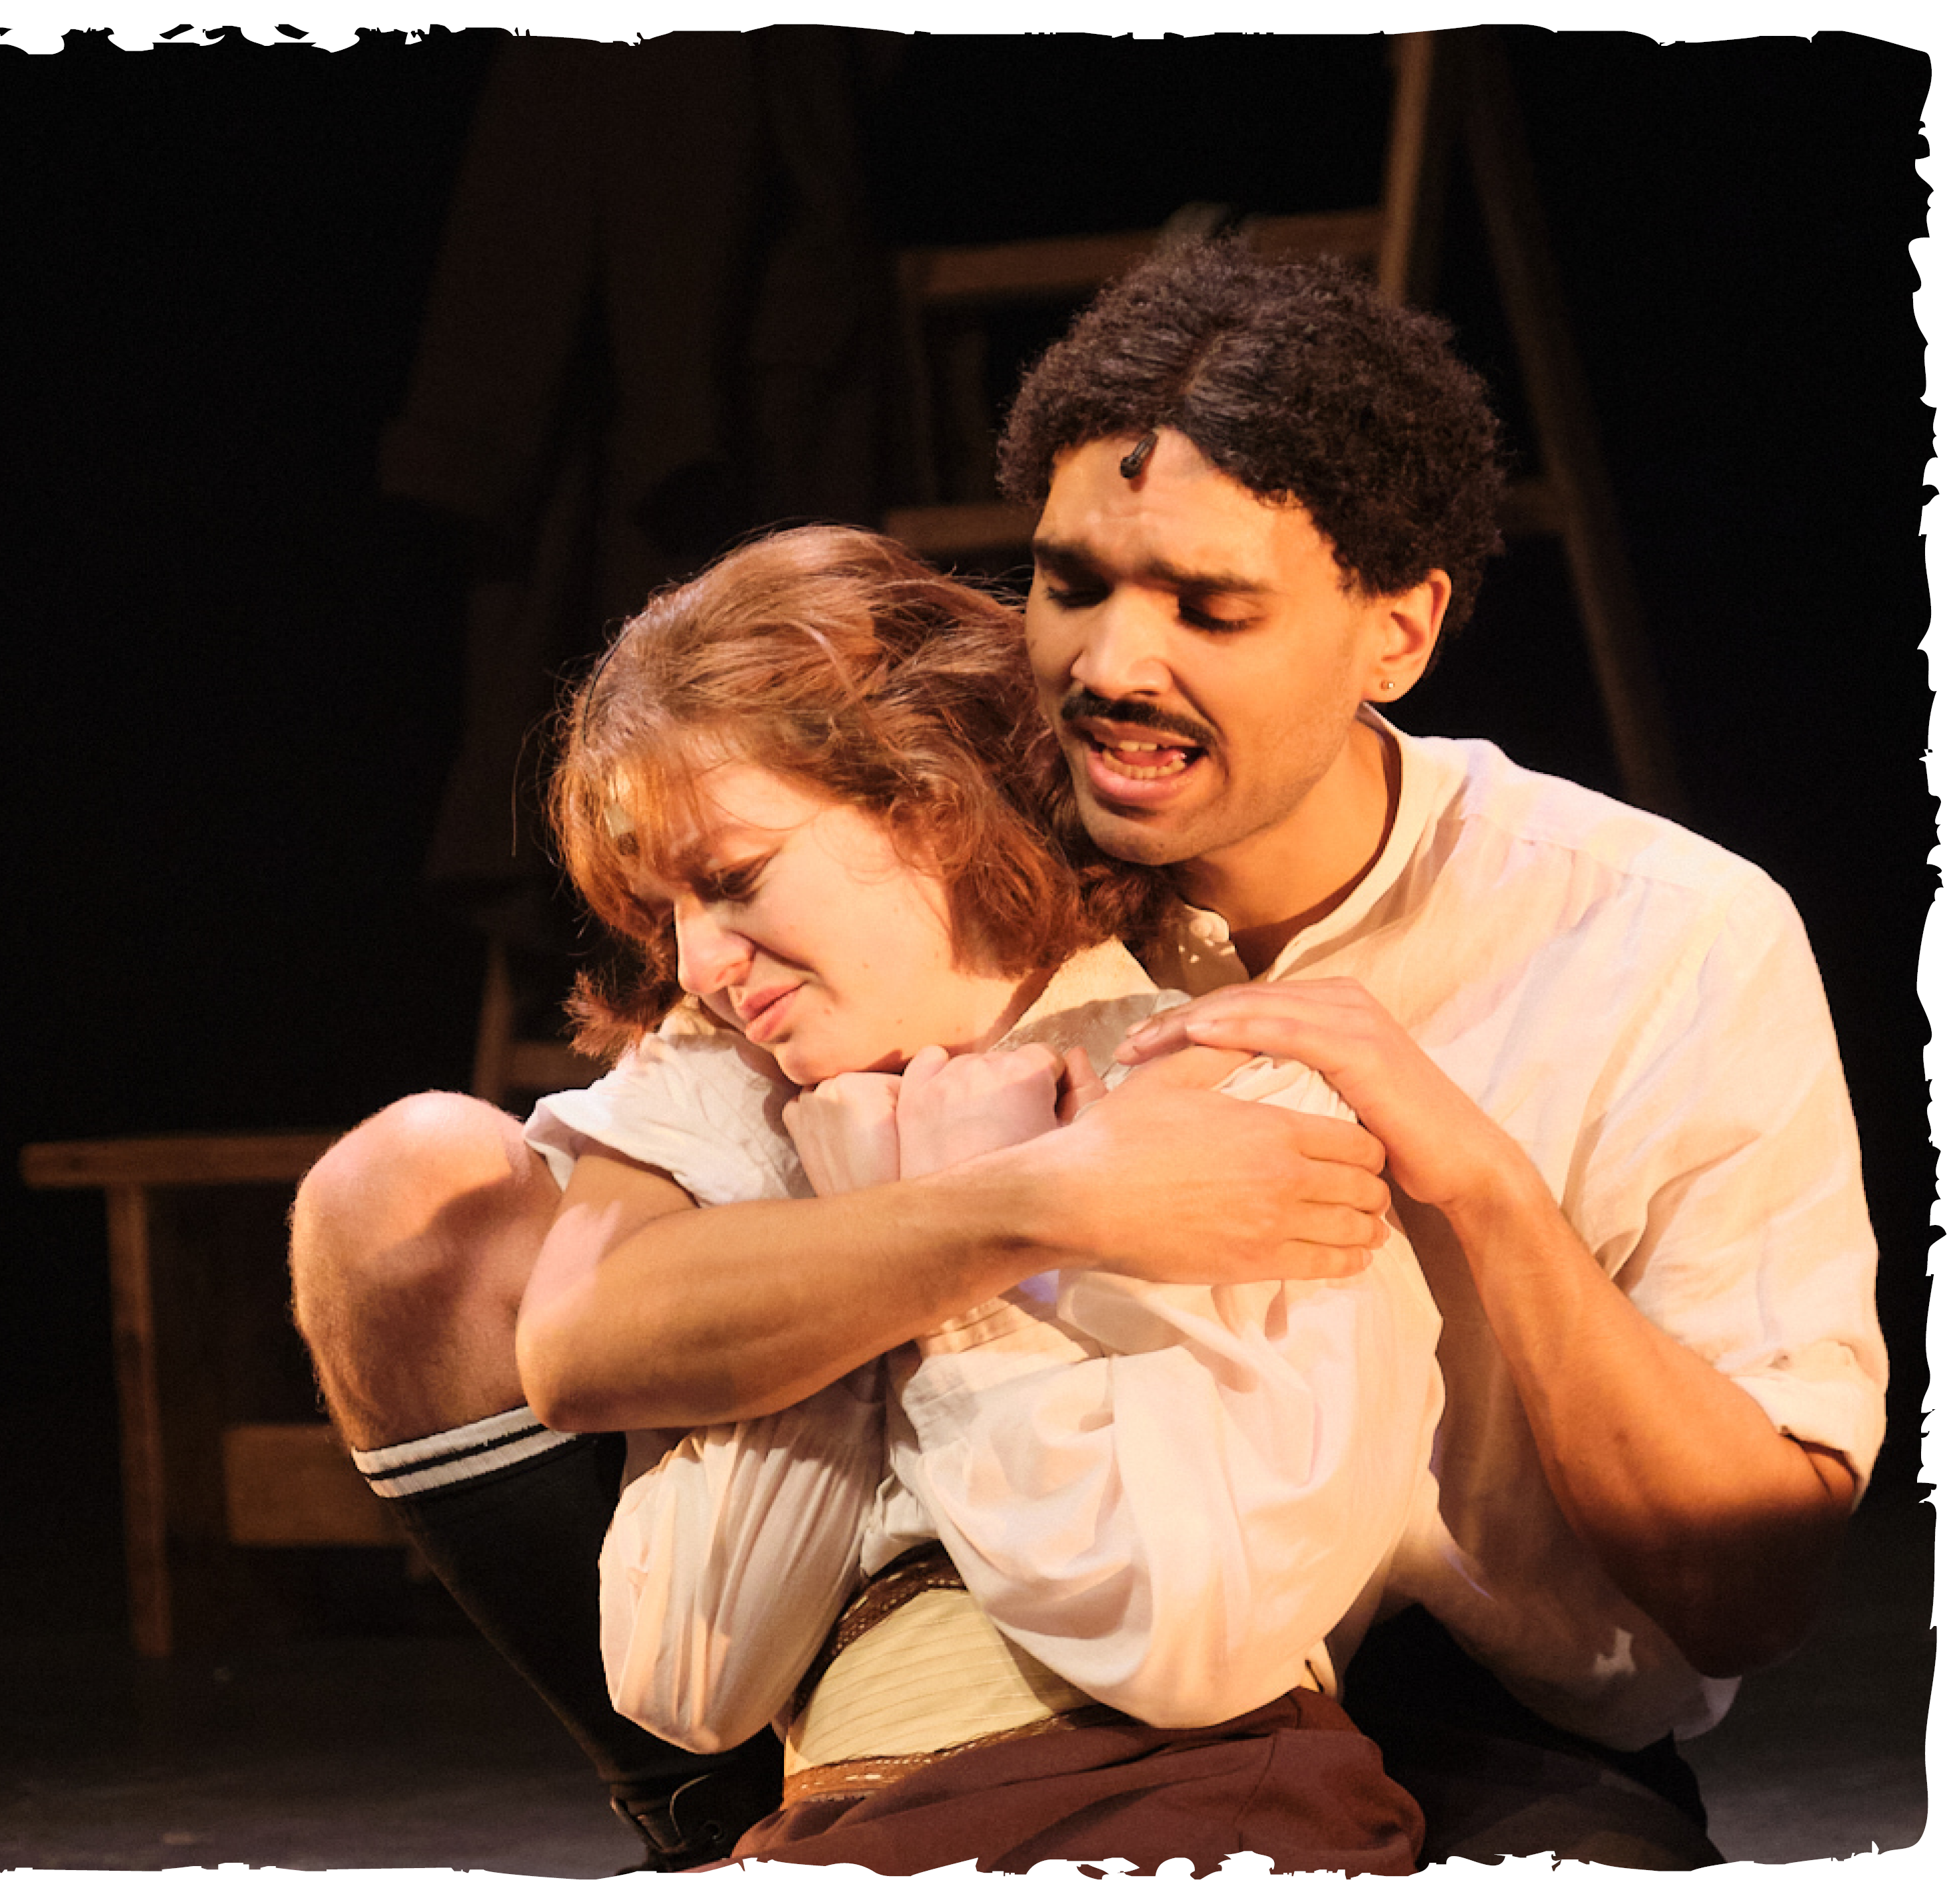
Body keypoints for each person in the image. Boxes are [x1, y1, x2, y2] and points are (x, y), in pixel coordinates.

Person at [291, 239, 1886, 1871]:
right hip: (1000, 1635)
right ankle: (721, 1813)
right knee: (400, 1201)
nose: (1113, 666)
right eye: (1071, 585)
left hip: (1465, 1702)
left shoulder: (1658, 932)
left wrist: (1478, 1183)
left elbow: (1746, 1589)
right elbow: (589, 1334)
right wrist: (1040, 1202)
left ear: (1395, 632)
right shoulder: (937, 853)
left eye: (1209, 607)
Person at [527, 524, 1438, 1872]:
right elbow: (686, 1678)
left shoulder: (1229, 1097)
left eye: (732, 880)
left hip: (1179, 1814)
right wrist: (893, 1246)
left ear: (930, 798)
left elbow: (1184, 1639)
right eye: (668, 915)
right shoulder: (769, 1144)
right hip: (835, 1828)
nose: (701, 962)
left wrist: (958, 1298)